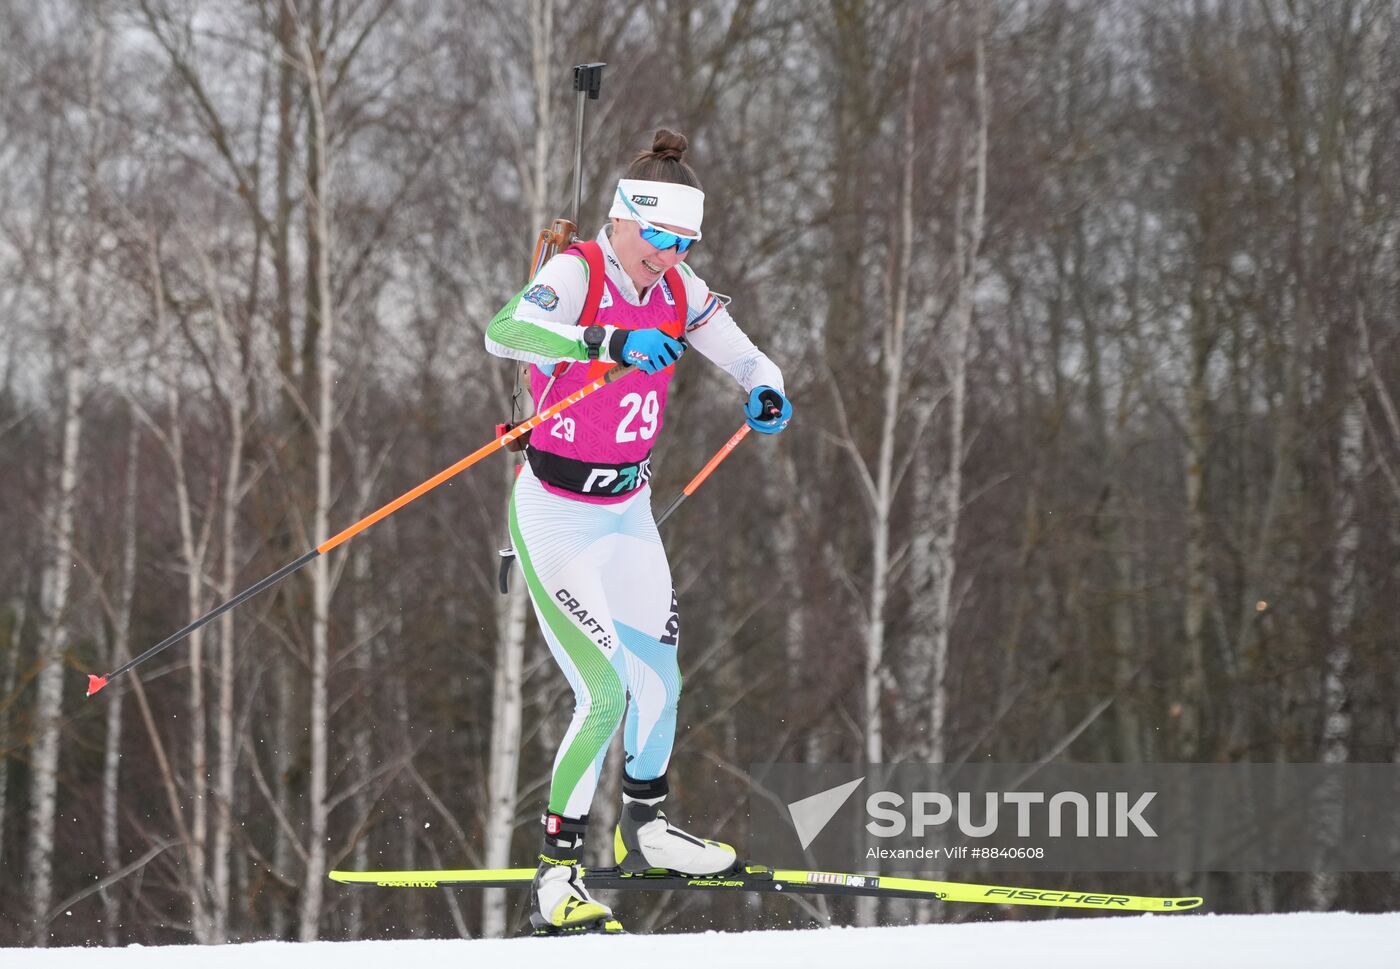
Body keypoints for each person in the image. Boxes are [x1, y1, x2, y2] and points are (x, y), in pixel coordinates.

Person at [485, 128, 792, 935]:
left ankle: (648, 831)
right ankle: (557, 876)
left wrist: (765, 387)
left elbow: (748, 355)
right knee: (605, 692)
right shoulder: (578, 271)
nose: (670, 254)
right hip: (555, 512)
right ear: (623, 219)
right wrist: (604, 337)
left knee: (661, 681)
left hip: (627, 511)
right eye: (659, 238)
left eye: (685, 242)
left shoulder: (679, 288)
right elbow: (505, 332)